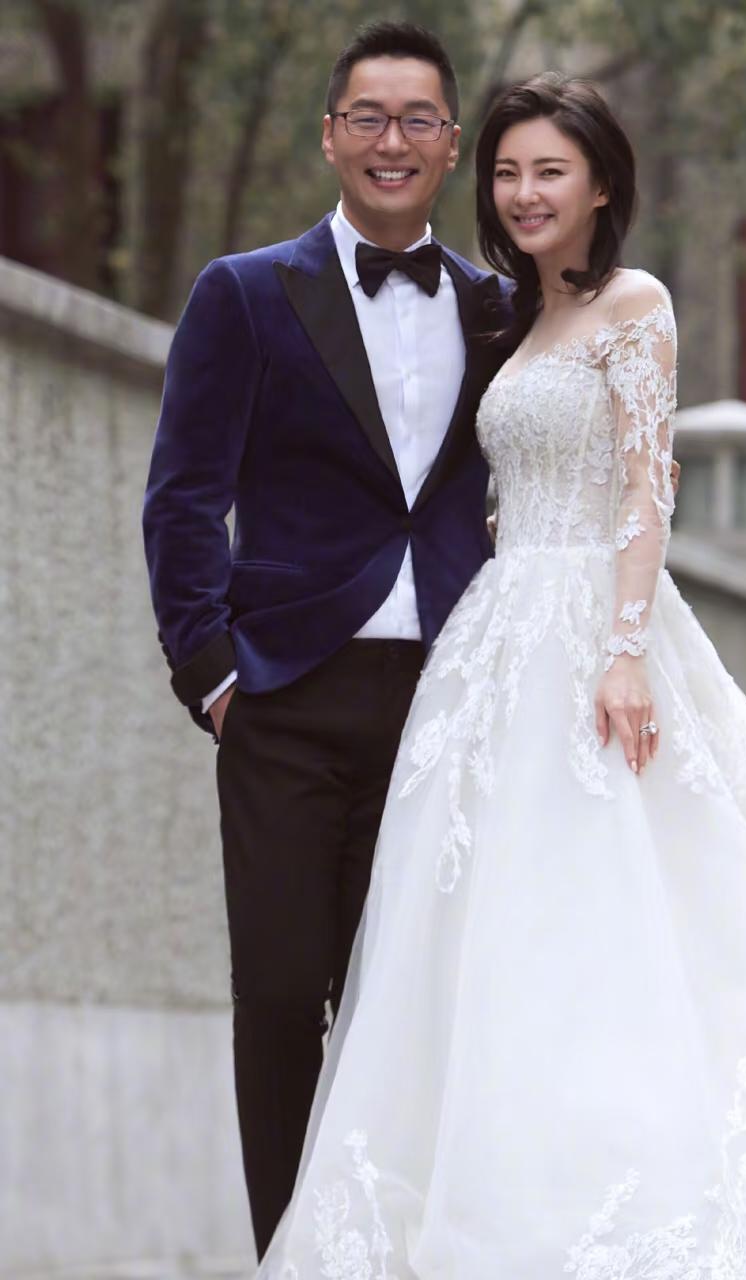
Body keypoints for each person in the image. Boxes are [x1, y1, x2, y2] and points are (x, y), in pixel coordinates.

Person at [254, 75, 746, 1278]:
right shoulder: (512, 318)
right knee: (488, 923)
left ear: (600, 187)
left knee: (625, 906)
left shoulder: (637, 303)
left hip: (596, 629)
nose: (524, 194)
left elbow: (647, 484)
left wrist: (624, 651)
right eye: (507, 173)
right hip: (496, 635)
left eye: (551, 172)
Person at [143, 21, 523, 1259]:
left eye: (418, 119)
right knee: (277, 993)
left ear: (452, 145)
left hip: (444, 698)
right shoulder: (245, 292)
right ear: (329, 136)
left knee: (406, 1003)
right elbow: (183, 495)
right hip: (286, 696)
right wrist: (213, 675)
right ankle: (284, 1254)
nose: (391, 140)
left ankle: (391, 1253)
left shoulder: (500, 308)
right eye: (368, 116)